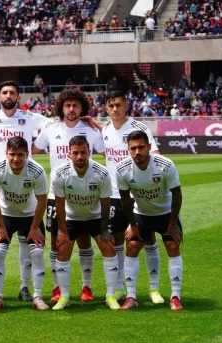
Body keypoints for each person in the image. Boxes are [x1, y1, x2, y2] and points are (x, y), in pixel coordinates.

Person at [0, 81, 48, 302]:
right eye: (4, 92)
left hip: (25, 185)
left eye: (12, 93)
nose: (8, 95)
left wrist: (84, 119)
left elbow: (57, 122)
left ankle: (25, 288)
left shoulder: (30, 117)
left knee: (28, 243)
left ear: (18, 97)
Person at [32, 89, 105, 303]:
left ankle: (87, 287)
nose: (71, 109)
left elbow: (108, 152)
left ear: (81, 108)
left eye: (75, 105)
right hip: (57, 194)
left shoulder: (91, 131)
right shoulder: (49, 129)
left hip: (85, 193)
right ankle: (57, 288)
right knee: (57, 242)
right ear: (61, 108)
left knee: (84, 241)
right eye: (67, 105)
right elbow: (32, 151)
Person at [102, 90, 163, 304]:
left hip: (138, 194)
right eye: (111, 105)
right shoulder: (105, 130)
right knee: (118, 240)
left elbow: (154, 156)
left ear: (126, 105)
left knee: (147, 238)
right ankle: (120, 287)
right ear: (106, 108)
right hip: (114, 194)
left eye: (118, 105)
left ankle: (154, 289)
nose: (115, 109)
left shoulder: (139, 128)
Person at [116, 131, 184, 311]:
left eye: (141, 147)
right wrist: (132, 225)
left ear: (148, 147)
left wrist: (172, 223)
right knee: (131, 246)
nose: (137, 152)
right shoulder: (122, 169)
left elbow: (177, 195)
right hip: (142, 215)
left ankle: (175, 297)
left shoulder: (165, 165)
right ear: (128, 149)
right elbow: (126, 201)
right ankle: (131, 296)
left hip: (166, 213)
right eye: (133, 148)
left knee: (173, 246)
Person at [51, 136, 120, 310]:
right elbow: (59, 205)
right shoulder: (60, 173)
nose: (80, 156)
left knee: (108, 247)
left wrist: (105, 230)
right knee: (63, 248)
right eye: (76, 153)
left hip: (95, 217)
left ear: (89, 152)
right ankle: (64, 296)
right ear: (69, 154)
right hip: (72, 217)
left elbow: (105, 204)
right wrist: (63, 231)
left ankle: (110, 295)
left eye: (83, 152)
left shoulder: (102, 173)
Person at [0, 136, 48, 311]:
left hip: (30, 216)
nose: (16, 159)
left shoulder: (37, 171)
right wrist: (1, 227)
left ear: (27, 154)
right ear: (6, 152)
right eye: (12, 154)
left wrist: (35, 228)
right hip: (6, 214)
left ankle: (37, 296)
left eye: (20, 154)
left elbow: (42, 201)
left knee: (36, 254)